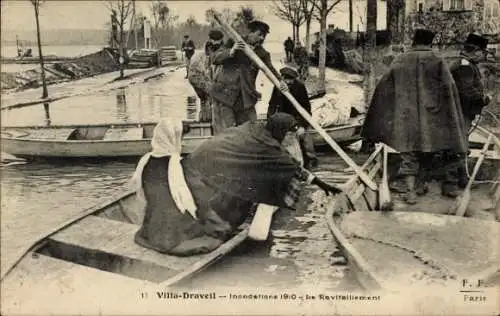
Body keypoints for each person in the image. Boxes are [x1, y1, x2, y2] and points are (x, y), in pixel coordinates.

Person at [132, 114, 341, 256]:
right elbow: (189, 203)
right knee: (215, 229)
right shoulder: (173, 166)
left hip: (199, 169)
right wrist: (322, 184)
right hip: (201, 179)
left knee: (224, 196)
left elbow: (141, 195)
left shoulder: (252, 129)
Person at [360, 29, 468, 204]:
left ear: (414, 42)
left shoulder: (400, 60)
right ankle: (421, 184)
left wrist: (383, 115)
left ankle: (411, 191)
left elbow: (383, 87)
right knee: (428, 151)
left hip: (406, 117)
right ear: (430, 43)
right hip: (433, 118)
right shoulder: (438, 61)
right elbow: (449, 90)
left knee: (409, 154)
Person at [209, 20, 289, 135]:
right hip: (225, 96)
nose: (262, 38)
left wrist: (281, 81)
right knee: (228, 133)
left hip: (246, 97)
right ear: (251, 33)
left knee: (254, 131)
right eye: (259, 34)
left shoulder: (262, 53)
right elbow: (215, 59)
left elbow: (270, 70)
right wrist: (231, 51)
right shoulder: (235, 42)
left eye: (264, 36)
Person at [449, 33, 491, 188]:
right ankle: (456, 181)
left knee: (461, 144)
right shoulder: (464, 65)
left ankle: (460, 178)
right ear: (476, 51)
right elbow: (467, 91)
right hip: (460, 112)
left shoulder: (464, 63)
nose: (484, 56)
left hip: (460, 111)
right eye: (484, 52)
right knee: (460, 145)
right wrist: (484, 99)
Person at [267, 66, 318, 169]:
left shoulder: (300, 87)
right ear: (282, 78)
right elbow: (272, 105)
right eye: (286, 79)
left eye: (290, 79)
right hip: (283, 119)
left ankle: (312, 159)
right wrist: (270, 119)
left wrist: (301, 125)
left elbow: (306, 109)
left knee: (304, 136)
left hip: (296, 118)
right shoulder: (278, 87)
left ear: (294, 79)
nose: (288, 82)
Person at [188, 29, 225, 122]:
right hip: (198, 75)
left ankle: (204, 119)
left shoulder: (209, 46)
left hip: (194, 75)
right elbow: (208, 68)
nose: (217, 44)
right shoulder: (209, 48)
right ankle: (209, 120)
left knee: (204, 99)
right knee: (210, 97)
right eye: (216, 41)